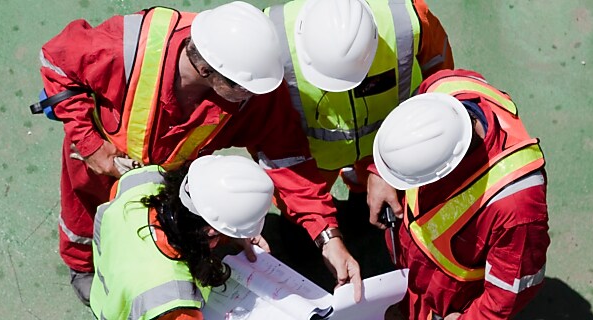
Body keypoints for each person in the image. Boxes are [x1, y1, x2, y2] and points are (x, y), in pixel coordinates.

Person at [37, 1, 358, 305]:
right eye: (244, 88)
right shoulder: (125, 47)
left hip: (169, 175)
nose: (254, 95)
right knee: (84, 216)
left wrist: (328, 237)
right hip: (100, 165)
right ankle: (83, 266)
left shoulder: (247, 89)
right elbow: (56, 60)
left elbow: (288, 160)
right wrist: (89, 143)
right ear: (205, 69)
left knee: (163, 228)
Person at [372, 69, 549, 319]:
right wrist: (380, 173)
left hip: (452, 302)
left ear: (445, 171)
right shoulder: (443, 89)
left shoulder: (518, 205)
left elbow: (507, 294)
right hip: (413, 273)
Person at [263, 0, 454, 229]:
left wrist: (387, 169)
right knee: (300, 224)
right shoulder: (269, 37)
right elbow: (262, 125)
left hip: (388, 150)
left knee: (372, 217)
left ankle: (359, 202)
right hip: (311, 159)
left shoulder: (407, 18)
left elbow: (442, 83)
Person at [89, 155, 291, 320]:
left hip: (105, 293)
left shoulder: (143, 178)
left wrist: (229, 233)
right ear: (211, 232)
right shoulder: (175, 301)